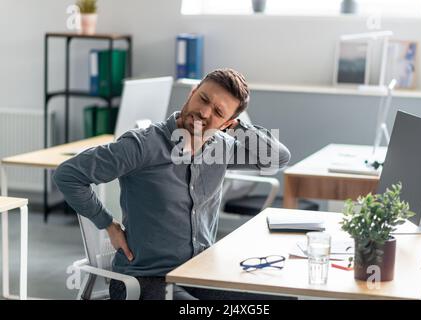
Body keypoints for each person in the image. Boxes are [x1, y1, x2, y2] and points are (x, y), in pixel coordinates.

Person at [53, 68, 291, 300]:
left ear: (227, 123)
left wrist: (238, 128)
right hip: (145, 278)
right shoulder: (142, 145)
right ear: (192, 93)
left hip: (199, 272)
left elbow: (279, 158)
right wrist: (108, 224)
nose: (205, 113)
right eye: (203, 99)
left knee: (282, 298)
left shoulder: (221, 148)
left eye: (218, 112)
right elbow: (68, 174)